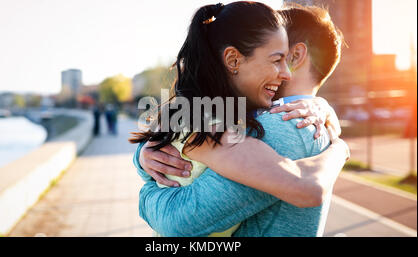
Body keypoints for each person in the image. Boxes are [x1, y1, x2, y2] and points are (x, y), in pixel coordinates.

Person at [130, 2, 348, 236]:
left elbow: (176, 220)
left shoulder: (285, 125)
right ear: (233, 60)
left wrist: (146, 188)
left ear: (296, 56)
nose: (283, 71)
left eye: (284, 59)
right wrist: (340, 149)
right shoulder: (218, 125)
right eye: (276, 59)